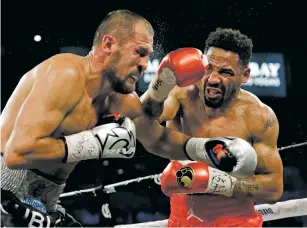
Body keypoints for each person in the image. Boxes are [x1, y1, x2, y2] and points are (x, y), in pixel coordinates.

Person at [0, 9, 257, 227]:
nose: (146, 64)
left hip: (42, 204)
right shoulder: (64, 73)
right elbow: (17, 153)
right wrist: (93, 144)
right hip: (4, 190)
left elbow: (157, 140)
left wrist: (204, 148)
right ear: (109, 45)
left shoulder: (122, 99)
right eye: (140, 52)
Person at [143, 28, 284, 227]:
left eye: (225, 72)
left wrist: (216, 182)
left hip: (237, 221)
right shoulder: (181, 95)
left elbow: (274, 189)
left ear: (245, 75)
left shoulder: (259, 116)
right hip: (184, 219)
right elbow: (144, 117)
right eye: (208, 68)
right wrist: (160, 86)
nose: (213, 79)